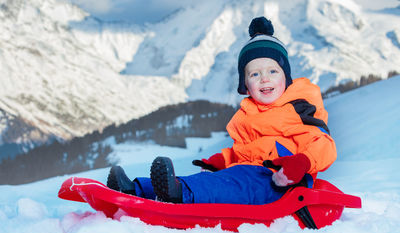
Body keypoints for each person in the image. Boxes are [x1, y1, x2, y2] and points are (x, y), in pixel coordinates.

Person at [106, 17, 336, 205]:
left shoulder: (298, 108)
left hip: (281, 184)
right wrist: (223, 160)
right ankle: (137, 188)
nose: (264, 78)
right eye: (254, 74)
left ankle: (177, 194)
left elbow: (323, 144)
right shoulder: (251, 114)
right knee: (211, 180)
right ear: (245, 85)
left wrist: (303, 162)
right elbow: (245, 152)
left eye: (272, 71)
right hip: (249, 176)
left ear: (286, 75)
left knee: (221, 186)